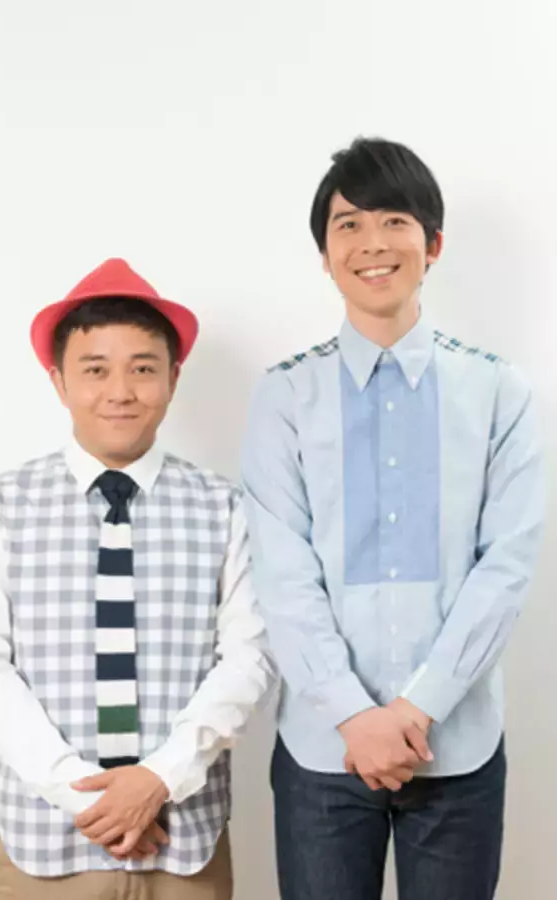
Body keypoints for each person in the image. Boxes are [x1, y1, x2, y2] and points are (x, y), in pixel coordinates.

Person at [241, 137, 544, 900]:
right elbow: (282, 571)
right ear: (325, 256)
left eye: (394, 221)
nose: (371, 242)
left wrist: (419, 707)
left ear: (432, 244)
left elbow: (506, 565)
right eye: (348, 225)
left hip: (458, 745)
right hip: (322, 749)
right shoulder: (286, 396)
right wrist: (354, 715)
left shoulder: (498, 391)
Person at [0, 257, 275, 900]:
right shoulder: (1, 505)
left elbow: (250, 656)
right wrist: (86, 797)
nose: (120, 391)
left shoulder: (223, 507)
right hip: (43, 847)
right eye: (95, 369)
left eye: (143, 368)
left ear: (174, 378)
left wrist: (158, 778)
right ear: (59, 381)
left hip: (183, 844)